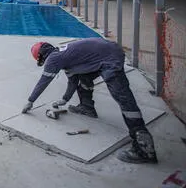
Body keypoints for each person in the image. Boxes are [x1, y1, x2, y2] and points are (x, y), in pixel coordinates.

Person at [21, 38, 157, 164]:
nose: (45, 64)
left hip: (109, 57)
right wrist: (64, 100)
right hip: (108, 51)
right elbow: (73, 82)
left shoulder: (53, 59)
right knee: (84, 78)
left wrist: (30, 101)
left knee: (123, 97)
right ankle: (87, 107)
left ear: (42, 56)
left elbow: (44, 81)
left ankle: (144, 147)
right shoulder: (65, 57)